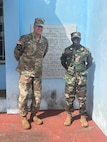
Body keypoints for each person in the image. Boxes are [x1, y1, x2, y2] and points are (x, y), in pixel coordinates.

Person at [14, 18, 48, 129]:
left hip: (37, 73)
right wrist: (25, 64)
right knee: (24, 95)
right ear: (33, 27)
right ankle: (24, 117)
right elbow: (16, 53)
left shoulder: (44, 41)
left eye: (41, 27)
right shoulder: (25, 38)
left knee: (37, 96)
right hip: (26, 72)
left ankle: (34, 115)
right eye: (38, 26)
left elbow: (43, 55)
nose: (39, 28)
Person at [60, 32, 93, 127]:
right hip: (70, 78)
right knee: (69, 98)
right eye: (74, 38)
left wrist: (82, 71)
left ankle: (83, 116)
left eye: (78, 38)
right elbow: (62, 61)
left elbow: (89, 62)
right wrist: (69, 70)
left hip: (81, 79)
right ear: (72, 39)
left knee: (82, 99)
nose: (76, 40)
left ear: (80, 39)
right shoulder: (67, 50)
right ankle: (69, 116)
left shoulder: (85, 50)